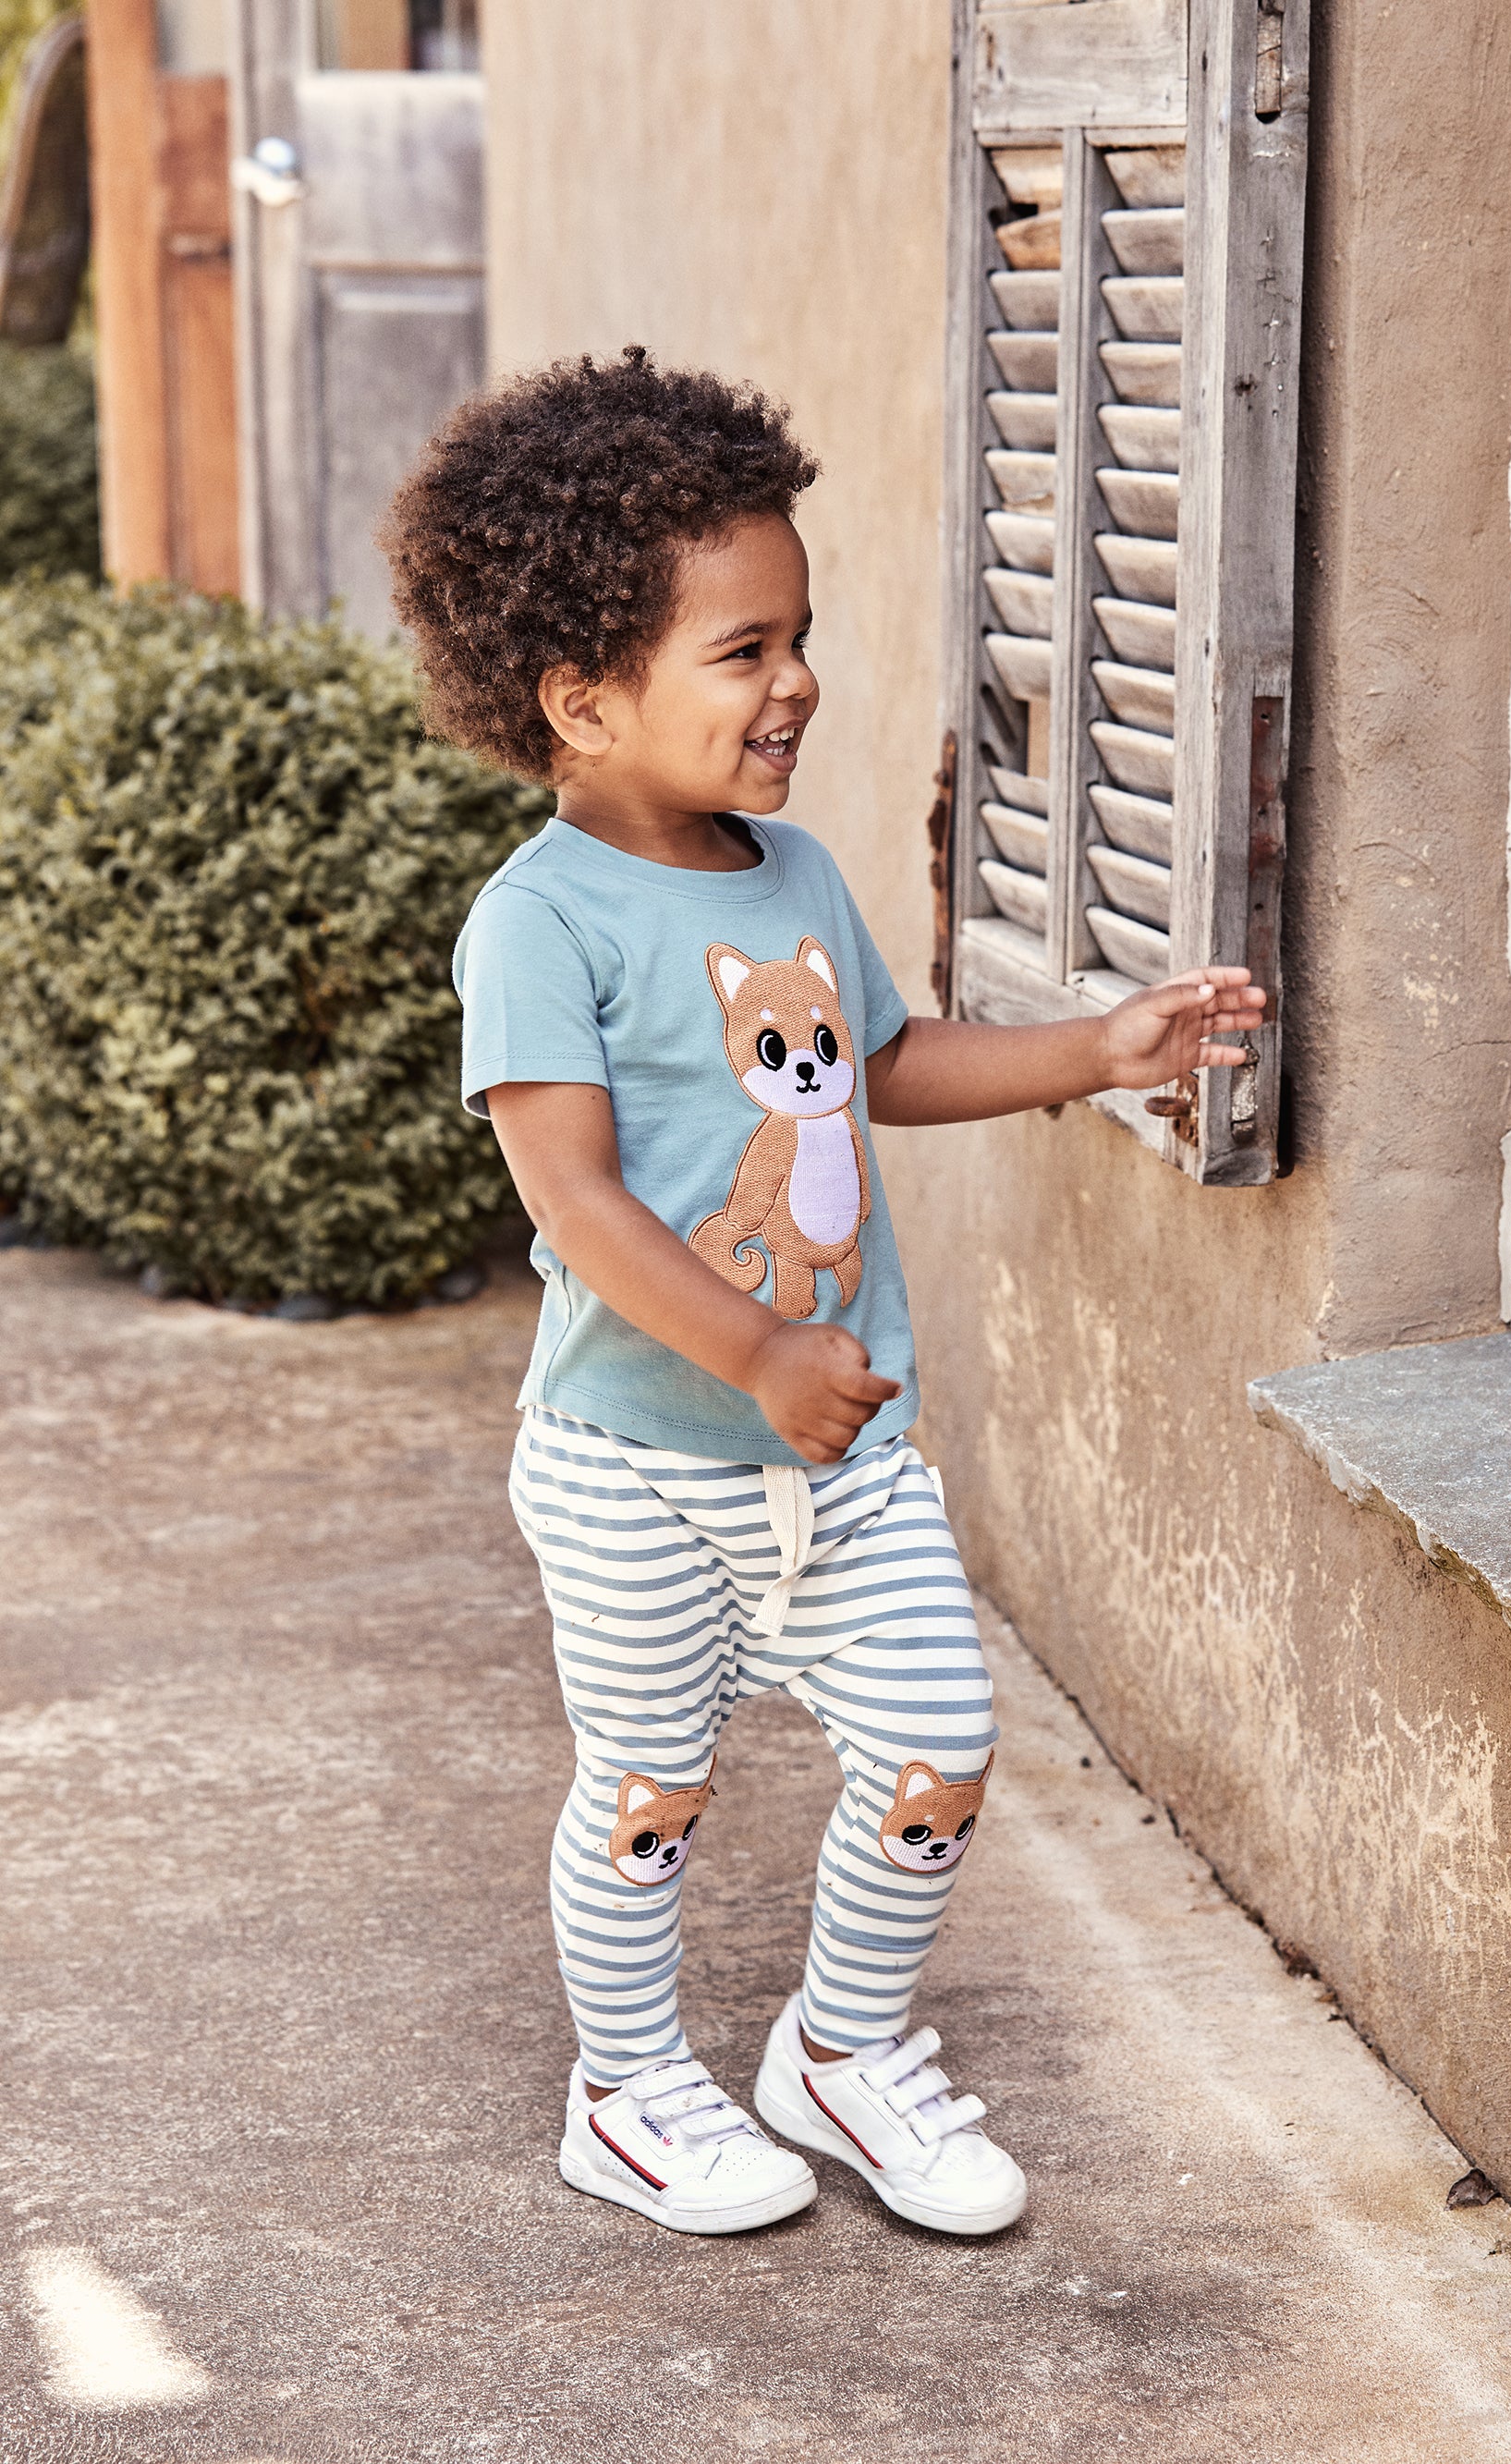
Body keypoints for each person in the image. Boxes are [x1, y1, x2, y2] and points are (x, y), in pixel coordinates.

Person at [384, 348, 1265, 2241]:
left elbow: (888, 1060)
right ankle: (626, 2090)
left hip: (836, 1454)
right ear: (581, 697)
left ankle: (839, 2051)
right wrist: (762, 1346)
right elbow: (576, 1203)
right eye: (743, 651)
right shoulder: (536, 922)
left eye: (800, 638)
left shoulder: (789, 870)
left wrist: (1099, 1048)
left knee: (940, 1742)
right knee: (651, 1787)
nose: (795, 682)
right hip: (635, 1465)